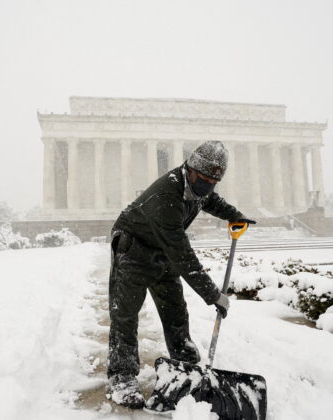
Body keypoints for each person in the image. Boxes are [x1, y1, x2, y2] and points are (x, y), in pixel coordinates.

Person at [106, 140, 256, 408]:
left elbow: (212, 201)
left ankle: (187, 365)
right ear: (190, 169)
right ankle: (122, 377)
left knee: (175, 311)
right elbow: (183, 257)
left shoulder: (200, 187)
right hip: (134, 249)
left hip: (161, 251)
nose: (207, 185)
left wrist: (235, 215)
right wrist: (213, 295)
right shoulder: (166, 197)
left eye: (213, 181)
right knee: (125, 315)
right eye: (204, 179)